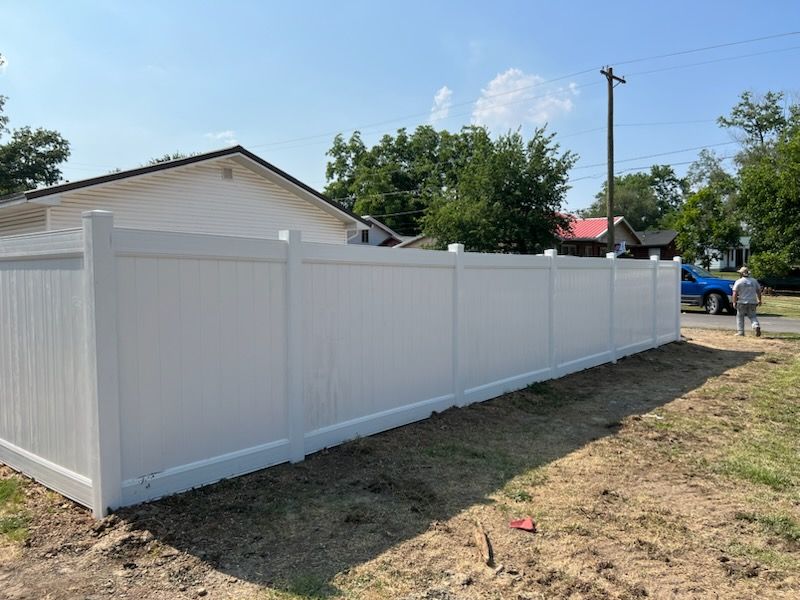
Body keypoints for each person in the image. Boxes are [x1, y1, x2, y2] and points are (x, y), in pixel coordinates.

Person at [732, 266, 762, 337]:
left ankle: (740, 332)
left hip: (742, 301)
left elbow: (735, 293)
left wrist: (734, 302)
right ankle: (756, 325)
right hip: (752, 302)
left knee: (740, 316)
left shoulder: (739, 281)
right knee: (752, 316)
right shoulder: (754, 281)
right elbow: (758, 291)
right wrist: (759, 300)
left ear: (741, 274)